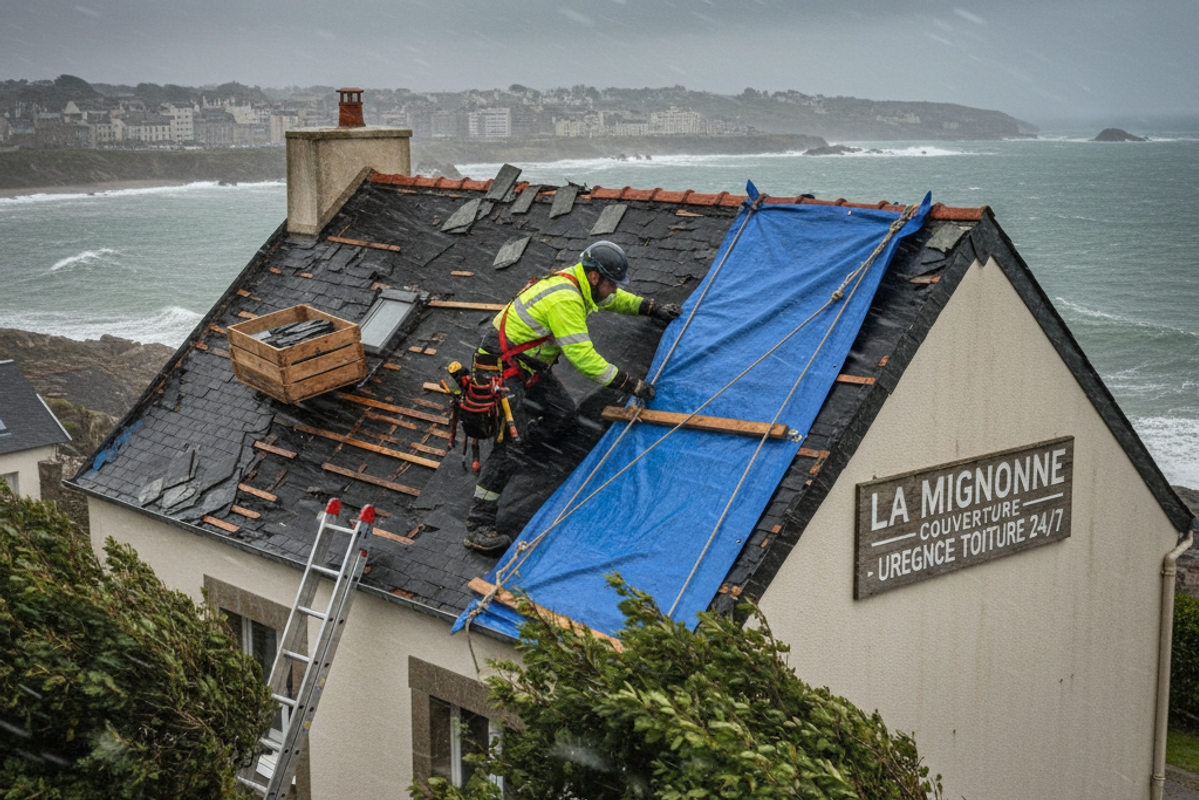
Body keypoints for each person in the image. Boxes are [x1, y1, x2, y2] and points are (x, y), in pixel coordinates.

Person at [463, 240, 682, 553]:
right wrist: (629, 384)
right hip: (500, 368)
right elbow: (584, 359)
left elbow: (615, 300)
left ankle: (528, 448)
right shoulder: (565, 300)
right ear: (595, 277)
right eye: (610, 284)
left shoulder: (580, 283)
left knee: (563, 414)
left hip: (527, 366)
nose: (611, 291)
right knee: (510, 443)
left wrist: (652, 309)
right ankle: (478, 523)